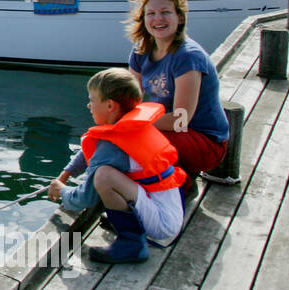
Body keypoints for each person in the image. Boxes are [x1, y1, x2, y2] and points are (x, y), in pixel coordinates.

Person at [48, 68, 186, 263]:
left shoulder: (113, 148)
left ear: (110, 105)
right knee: (105, 173)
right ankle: (130, 226)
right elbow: (96, 148)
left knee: (104, 176)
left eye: (92, 100)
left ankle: (132, 244)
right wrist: (66, 173)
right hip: (169, 211)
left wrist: (62, 191)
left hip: (162, 223)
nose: (88, 105)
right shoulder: (128, 129)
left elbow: (85, 198)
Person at [126, 0, 229, 185]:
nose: (158, 19)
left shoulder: (188, 57)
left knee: (137, 142)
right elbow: (130, 102)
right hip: (170, 133)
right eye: (151, 13)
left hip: (205, 141)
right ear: (143, 19)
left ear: (179, 18)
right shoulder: (140, 53)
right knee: (119, 140)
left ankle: (180, 185)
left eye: (165, 12)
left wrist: (136, 125)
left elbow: (181, 120)